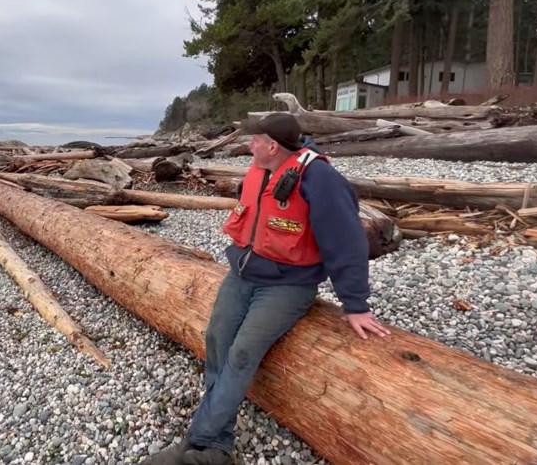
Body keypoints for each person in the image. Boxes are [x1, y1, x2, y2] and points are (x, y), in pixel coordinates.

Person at [143, 113, 390, 465]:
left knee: (242, 353)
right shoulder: (259, 171)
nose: (248, 145)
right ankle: (215, 437)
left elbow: (346, 243)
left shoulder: (319, 178)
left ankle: (204, 443)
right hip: (244, 274)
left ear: (272, 145)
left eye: (253, 140)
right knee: (216, 339)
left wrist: (356, 305)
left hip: (288, 285)